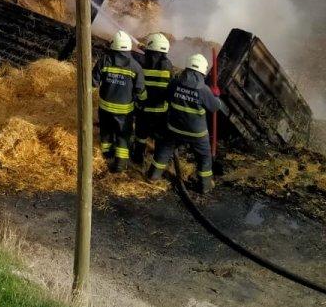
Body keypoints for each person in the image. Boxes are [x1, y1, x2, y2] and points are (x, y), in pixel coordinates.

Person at [147, 53, 227, 194]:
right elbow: (214, 107)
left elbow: (166, 97)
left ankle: (153, 176)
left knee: (164, 150)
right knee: (204, 157)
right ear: (202, 70)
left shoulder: (175, 83)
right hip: (197, 133)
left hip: (174, 128)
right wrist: (216, 95)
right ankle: (205, 185)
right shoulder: (204, 90)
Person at [92, 30, 146, 173]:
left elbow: (93, 82)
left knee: (106, 131)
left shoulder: (104, 60)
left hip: (105, 108)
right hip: (124, 111)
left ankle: (106, 154)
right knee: (123, 135)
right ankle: (120, 164)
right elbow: (140, 89)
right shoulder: (135, 67)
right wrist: (141, 101)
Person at [132, 31, 173, 165]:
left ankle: (138, 158)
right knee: (160, 137)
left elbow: (144, 58)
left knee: (141, 135)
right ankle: (157, 162)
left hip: (143, 108)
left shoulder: (141, 61)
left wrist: (144, 48)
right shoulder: (168, 65)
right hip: (160, 110)